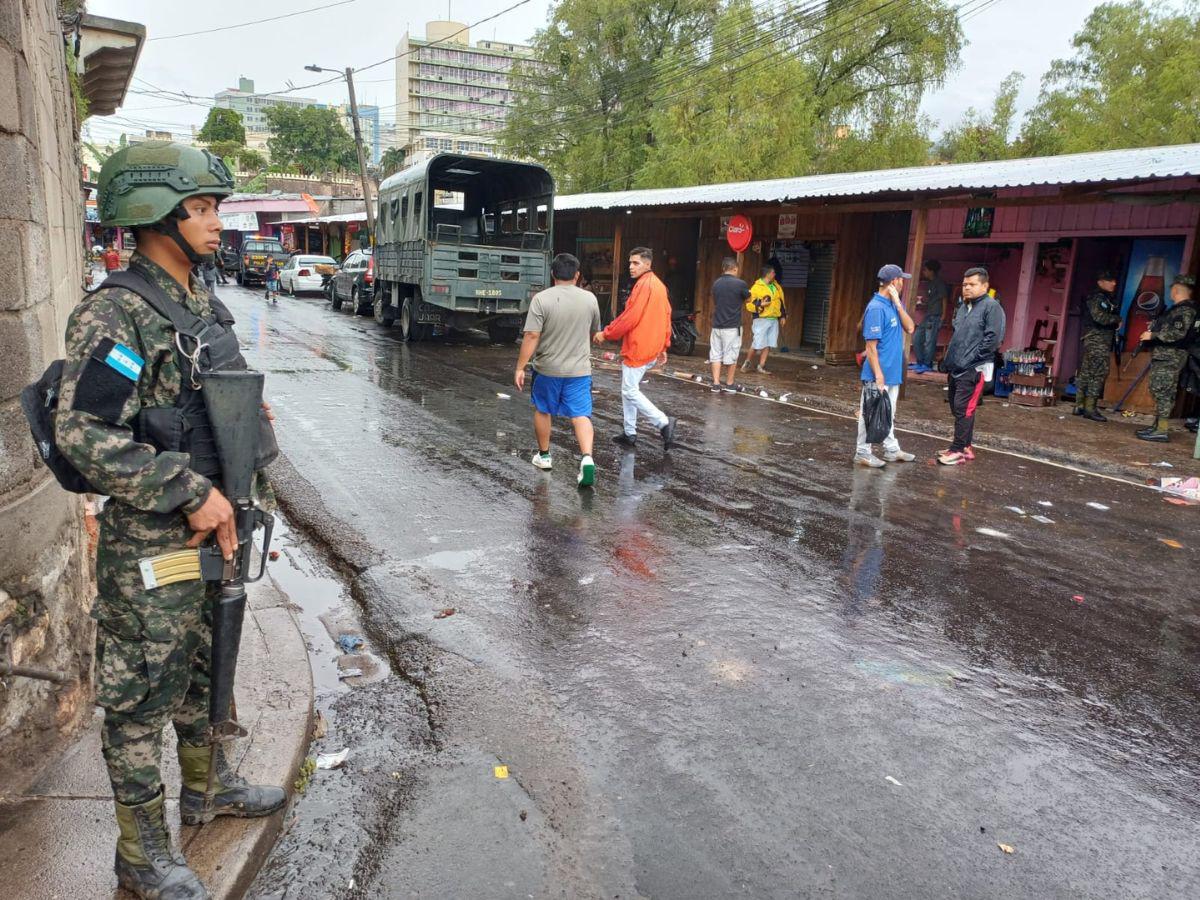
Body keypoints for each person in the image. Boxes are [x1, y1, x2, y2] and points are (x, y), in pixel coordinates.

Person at [54, 141, 285, 900]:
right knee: (140, 693)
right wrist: (190, 489)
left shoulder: (202, 305)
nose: (219, 222)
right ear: (153, 214)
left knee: (203, 666)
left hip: (216, 530)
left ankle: (208, 786)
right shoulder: (117, 314)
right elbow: (83, 434)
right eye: (201, 208)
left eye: (216, 206)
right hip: (154, 542)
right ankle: (142, 853)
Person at [514, 252, 602, 487]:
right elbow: (594, 332)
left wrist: (520, 367)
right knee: (581, 414)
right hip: (579, 370)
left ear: (552, 274)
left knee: (543, 410)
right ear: (577, 275)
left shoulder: (541, 299)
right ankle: (587, 458)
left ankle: (544, 456)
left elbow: (532, 335)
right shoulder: (590, 299)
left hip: (548, 369)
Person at [593, 246, 677, 450]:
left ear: (648, 264)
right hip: (651, 344)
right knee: (628, 389)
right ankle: (629, 432)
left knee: (630, 390)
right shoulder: (658, 285)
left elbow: (630, 316)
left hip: (640, 346)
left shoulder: (644, 286)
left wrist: (607, 333)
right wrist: (664, 345)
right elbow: (667, 315)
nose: (631, 267)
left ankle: (663, 422)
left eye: (636, 263)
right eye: (630, 262)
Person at [938, 267, 1007, 465]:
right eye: (965, 284)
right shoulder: (963, 307)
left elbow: (993, 339)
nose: (967, 288)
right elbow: (959, 337)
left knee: (964, 408)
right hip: (957, 366)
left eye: (972, 284)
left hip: (974, 368)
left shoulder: (991, 307)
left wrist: (973, 360)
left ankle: (958, 449)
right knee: (956, 406)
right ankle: (965, 446)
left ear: (985, 286)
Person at [855, 264, 916, 468]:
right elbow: (870, 347)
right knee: (869, 414)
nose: (902, 283)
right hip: (877, 374)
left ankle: (891, 449)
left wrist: (898, 304)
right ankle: (862, 452)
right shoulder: (876, 307)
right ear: (894, 282)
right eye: (901, 280)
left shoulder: (894, 304)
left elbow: (910, 327)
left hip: (893, 372)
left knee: (888, 413)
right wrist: (878, 375)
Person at [1136, 274, 1198, 442]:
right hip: (1165, 356)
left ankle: (1161, 430)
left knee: (1163, 391)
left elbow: (1178, 333)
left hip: (1171, 356)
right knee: (1158, 389)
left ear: (1176, 290)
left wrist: (1153, 335)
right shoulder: (1177, 309)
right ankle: (1157, 426)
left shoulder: (1185, 310)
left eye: (1172, 290)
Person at [1073, 269, 1121, 421]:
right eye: (1110, 280)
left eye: (1114, 280)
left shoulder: (1105, 298)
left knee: (1087, 372)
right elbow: (1099, 317)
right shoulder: (1097, 297)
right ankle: (1090, 408)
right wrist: (1117, 319)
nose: (1114, 283)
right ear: (1100, 282)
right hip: (1097, 340)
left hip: (1097, 340)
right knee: (1099, 372)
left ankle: (1079, 405)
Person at [708, 256, 750, 393]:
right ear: (735, 268)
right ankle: (730, 383)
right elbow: (748, 298)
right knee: (731, 355)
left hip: (717, 325)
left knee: (715, 354)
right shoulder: (740, 284)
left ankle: (715, 383)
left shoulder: (716, 284)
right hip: (732, 326)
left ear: (723, 268)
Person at [741, 264, 786, 374]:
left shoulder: (776, 286)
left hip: (773, 318)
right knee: (757, 343)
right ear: (768, 274)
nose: (775, 274)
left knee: (768, 343)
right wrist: (761, 304)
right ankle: (747, 362)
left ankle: (761, 366)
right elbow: (749, 304)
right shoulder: (756, 287)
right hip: (761, 319)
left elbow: (781, 301)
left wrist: (783, 315)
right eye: (773, 272)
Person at [910, 259, 947, 372]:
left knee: (929, 341)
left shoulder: (939, 283)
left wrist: (943, 315)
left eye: (925, 270)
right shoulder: (930, 283)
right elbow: (933, 300)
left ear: (931, 271)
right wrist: (923, 302)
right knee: (917, 338)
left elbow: (944, 298)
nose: (923, 272)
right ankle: (920, 362)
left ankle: (927, 364)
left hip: (935, 316)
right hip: (928, 315)